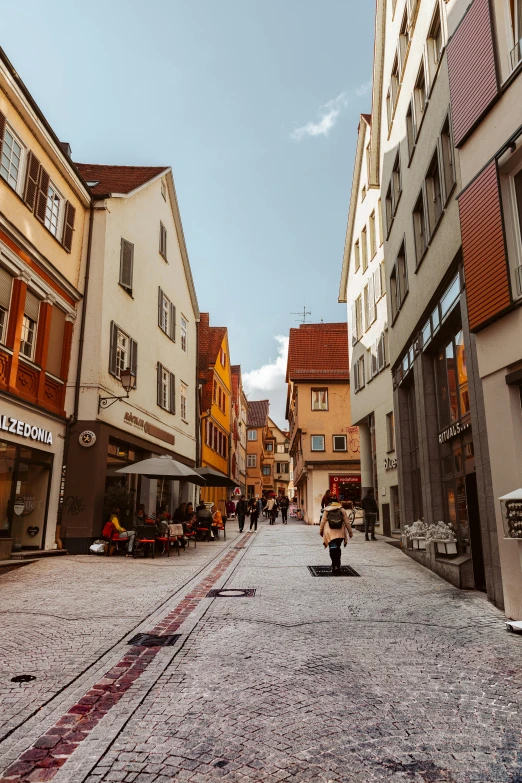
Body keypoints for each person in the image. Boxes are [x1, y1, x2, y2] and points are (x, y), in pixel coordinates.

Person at [319, 495, 353, 574]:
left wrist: (320, 531)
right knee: (338, 548)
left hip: (330, 533)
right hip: (340, 533)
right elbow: (347, 522)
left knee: (332, 548)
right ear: (337, 502)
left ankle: (334, 565)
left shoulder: (327, 510)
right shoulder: (342, 510)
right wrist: (350, 532)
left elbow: (322, 522)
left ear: (330, 502)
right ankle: (338, 565)